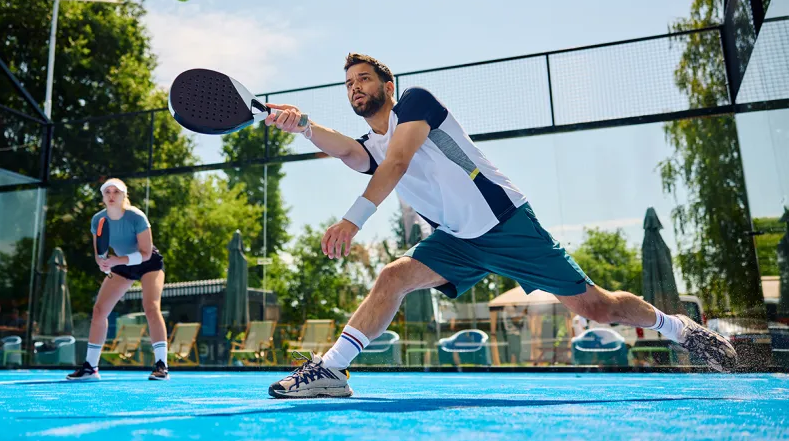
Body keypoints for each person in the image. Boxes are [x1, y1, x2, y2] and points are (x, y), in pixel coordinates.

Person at [264, 53, 738, 398]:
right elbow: (350, 151)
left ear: (388, 85)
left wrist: (352, 220)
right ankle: (331, 370)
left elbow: (399, 162)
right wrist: (303, 125)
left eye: (363, 79)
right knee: (392, 277)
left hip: (507, 224)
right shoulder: (372, 142)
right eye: (348, 83)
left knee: (596, 307)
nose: (355, 88)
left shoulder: (416, 103)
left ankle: (681, 330)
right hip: (456, 241)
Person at [67, 178, 170, 381]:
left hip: (148, 263)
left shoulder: (136, 217)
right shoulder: (98, 220)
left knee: (151, 307)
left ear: (124, 196)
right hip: (120, 264)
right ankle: (90, 368)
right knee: (99, 311)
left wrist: (116, 260)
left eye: (116, 192)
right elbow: (99, 253)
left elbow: (147, 253)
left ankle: (162, 366)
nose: (112, 195)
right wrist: (103, 263)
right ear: (103, 197)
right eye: (108, 192)